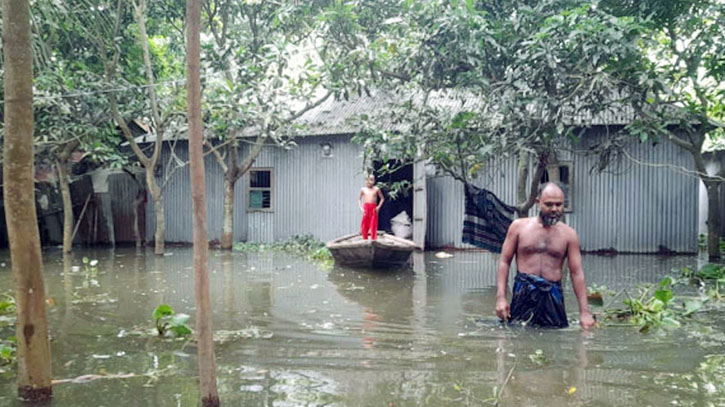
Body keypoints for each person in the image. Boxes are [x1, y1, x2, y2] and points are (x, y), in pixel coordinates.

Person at [495, 182, 595, 329]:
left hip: (553, 294)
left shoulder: (569, 235)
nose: (554, 209)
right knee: (518, 336)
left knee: (555, 339)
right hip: (524, 292)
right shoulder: (518, 227)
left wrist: (585, 312)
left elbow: (577, 273)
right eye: (549, 204)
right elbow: (504, 261)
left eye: (559, 205)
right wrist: (501, 298)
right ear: (538, 202)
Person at [358, 174, 385, 240]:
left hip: (373, 208)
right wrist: (361, 208)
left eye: (372, 180)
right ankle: (365, 239)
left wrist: (378, 207)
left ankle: (373, 240)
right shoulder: (363, 189)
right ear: (366, 181)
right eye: (368, 180)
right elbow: (359, 199)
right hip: (366, 208)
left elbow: (382, 198)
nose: (370, 182)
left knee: (373, 225)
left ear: (374, 181)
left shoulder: (376, 189)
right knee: (364, 225)